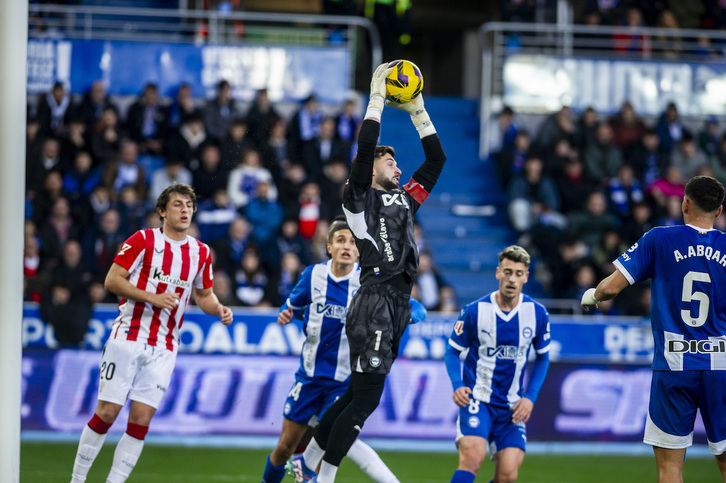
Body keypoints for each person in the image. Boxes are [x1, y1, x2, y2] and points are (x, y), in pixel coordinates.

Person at [287, 62, 446, 483]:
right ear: (372, 169)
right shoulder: (357, 198)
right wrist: (377, 100)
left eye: (396, 162)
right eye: (388, 161)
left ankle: (307, 461)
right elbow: (365, 149)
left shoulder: (405, 199)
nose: (396, 167)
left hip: (395, 305)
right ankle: (322, 477)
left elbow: (437, 159)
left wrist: (417, 110)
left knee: (357, 393)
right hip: (374, 300)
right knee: (365, 401)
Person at [69, 183, 233, 483]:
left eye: (189, 205)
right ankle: (77, 480)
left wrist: (219, 308)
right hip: (127, 337)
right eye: (177, 205)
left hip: (165, 346)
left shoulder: (200, 252)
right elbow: (112, 280)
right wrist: (153, 297)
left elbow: (203, 295)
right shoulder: (143, 240)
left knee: (141, 419)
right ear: (162, 211)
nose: (185, 210)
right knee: (107, 413)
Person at [581, 175, 726, 483]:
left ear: (685, 204)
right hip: (721, 366)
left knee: (669, 471)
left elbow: (610, 288)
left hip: (674, 366)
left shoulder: (659, 239)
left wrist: (592, 295)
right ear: (719, 210)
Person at [262, 218, 403, 483]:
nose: (347, 246)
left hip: (342, 383)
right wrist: (286, 313)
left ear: (360, 250)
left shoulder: (367, 284)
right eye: (341, 240)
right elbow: (294, 306)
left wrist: (410, 312)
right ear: (329, 247)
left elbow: (401, 304)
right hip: (309, 378)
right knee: (284, 449)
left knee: (341, 442)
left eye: (353, 242)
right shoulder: (313, 275)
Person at [445, 245, 551, 483]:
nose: (512, 279)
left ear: (526, 277)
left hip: (512, 405)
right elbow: (452, 351)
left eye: (518, 273)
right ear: (497, 273)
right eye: (507, 272)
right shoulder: (474, 311)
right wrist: (457, 383)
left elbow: (543, 357)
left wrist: (530, 397)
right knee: (472, 458)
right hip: (477, 398)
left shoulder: (537, 314)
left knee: (508, 475)